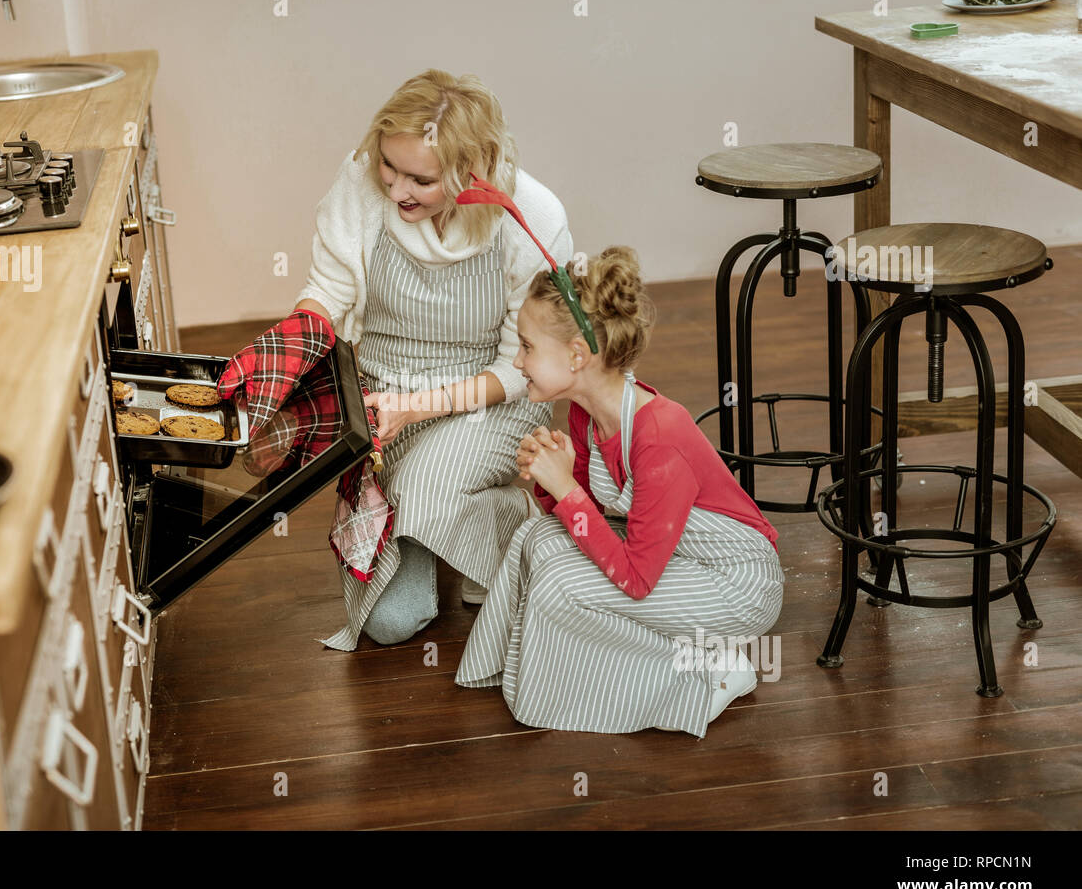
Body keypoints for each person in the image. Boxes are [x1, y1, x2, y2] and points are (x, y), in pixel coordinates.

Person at [287, 69, 573, 650]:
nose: (396, 191)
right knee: (391, 624)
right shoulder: (364, 177)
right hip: (382, 400)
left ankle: (503, 514)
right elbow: (330, 287)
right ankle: (447, 520)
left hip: (489, 403)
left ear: (476, 169)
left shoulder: (532, 219)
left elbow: (520, 366)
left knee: (423, 491)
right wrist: (292, 342)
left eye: (421, 179)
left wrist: (416, 408)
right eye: (389, 168)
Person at [455, 245, 785, 737]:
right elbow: (589, 519)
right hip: (678, 560)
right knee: (538, 539)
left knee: (561, 585)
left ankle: (707, 673)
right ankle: (556, 669)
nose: (517, 360)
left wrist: (564, 488)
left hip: (734, 583)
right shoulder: (587, 414)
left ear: (576, 355)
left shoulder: (658, 437)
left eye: (526, 347)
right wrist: (552, 487)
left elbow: (634, 579)